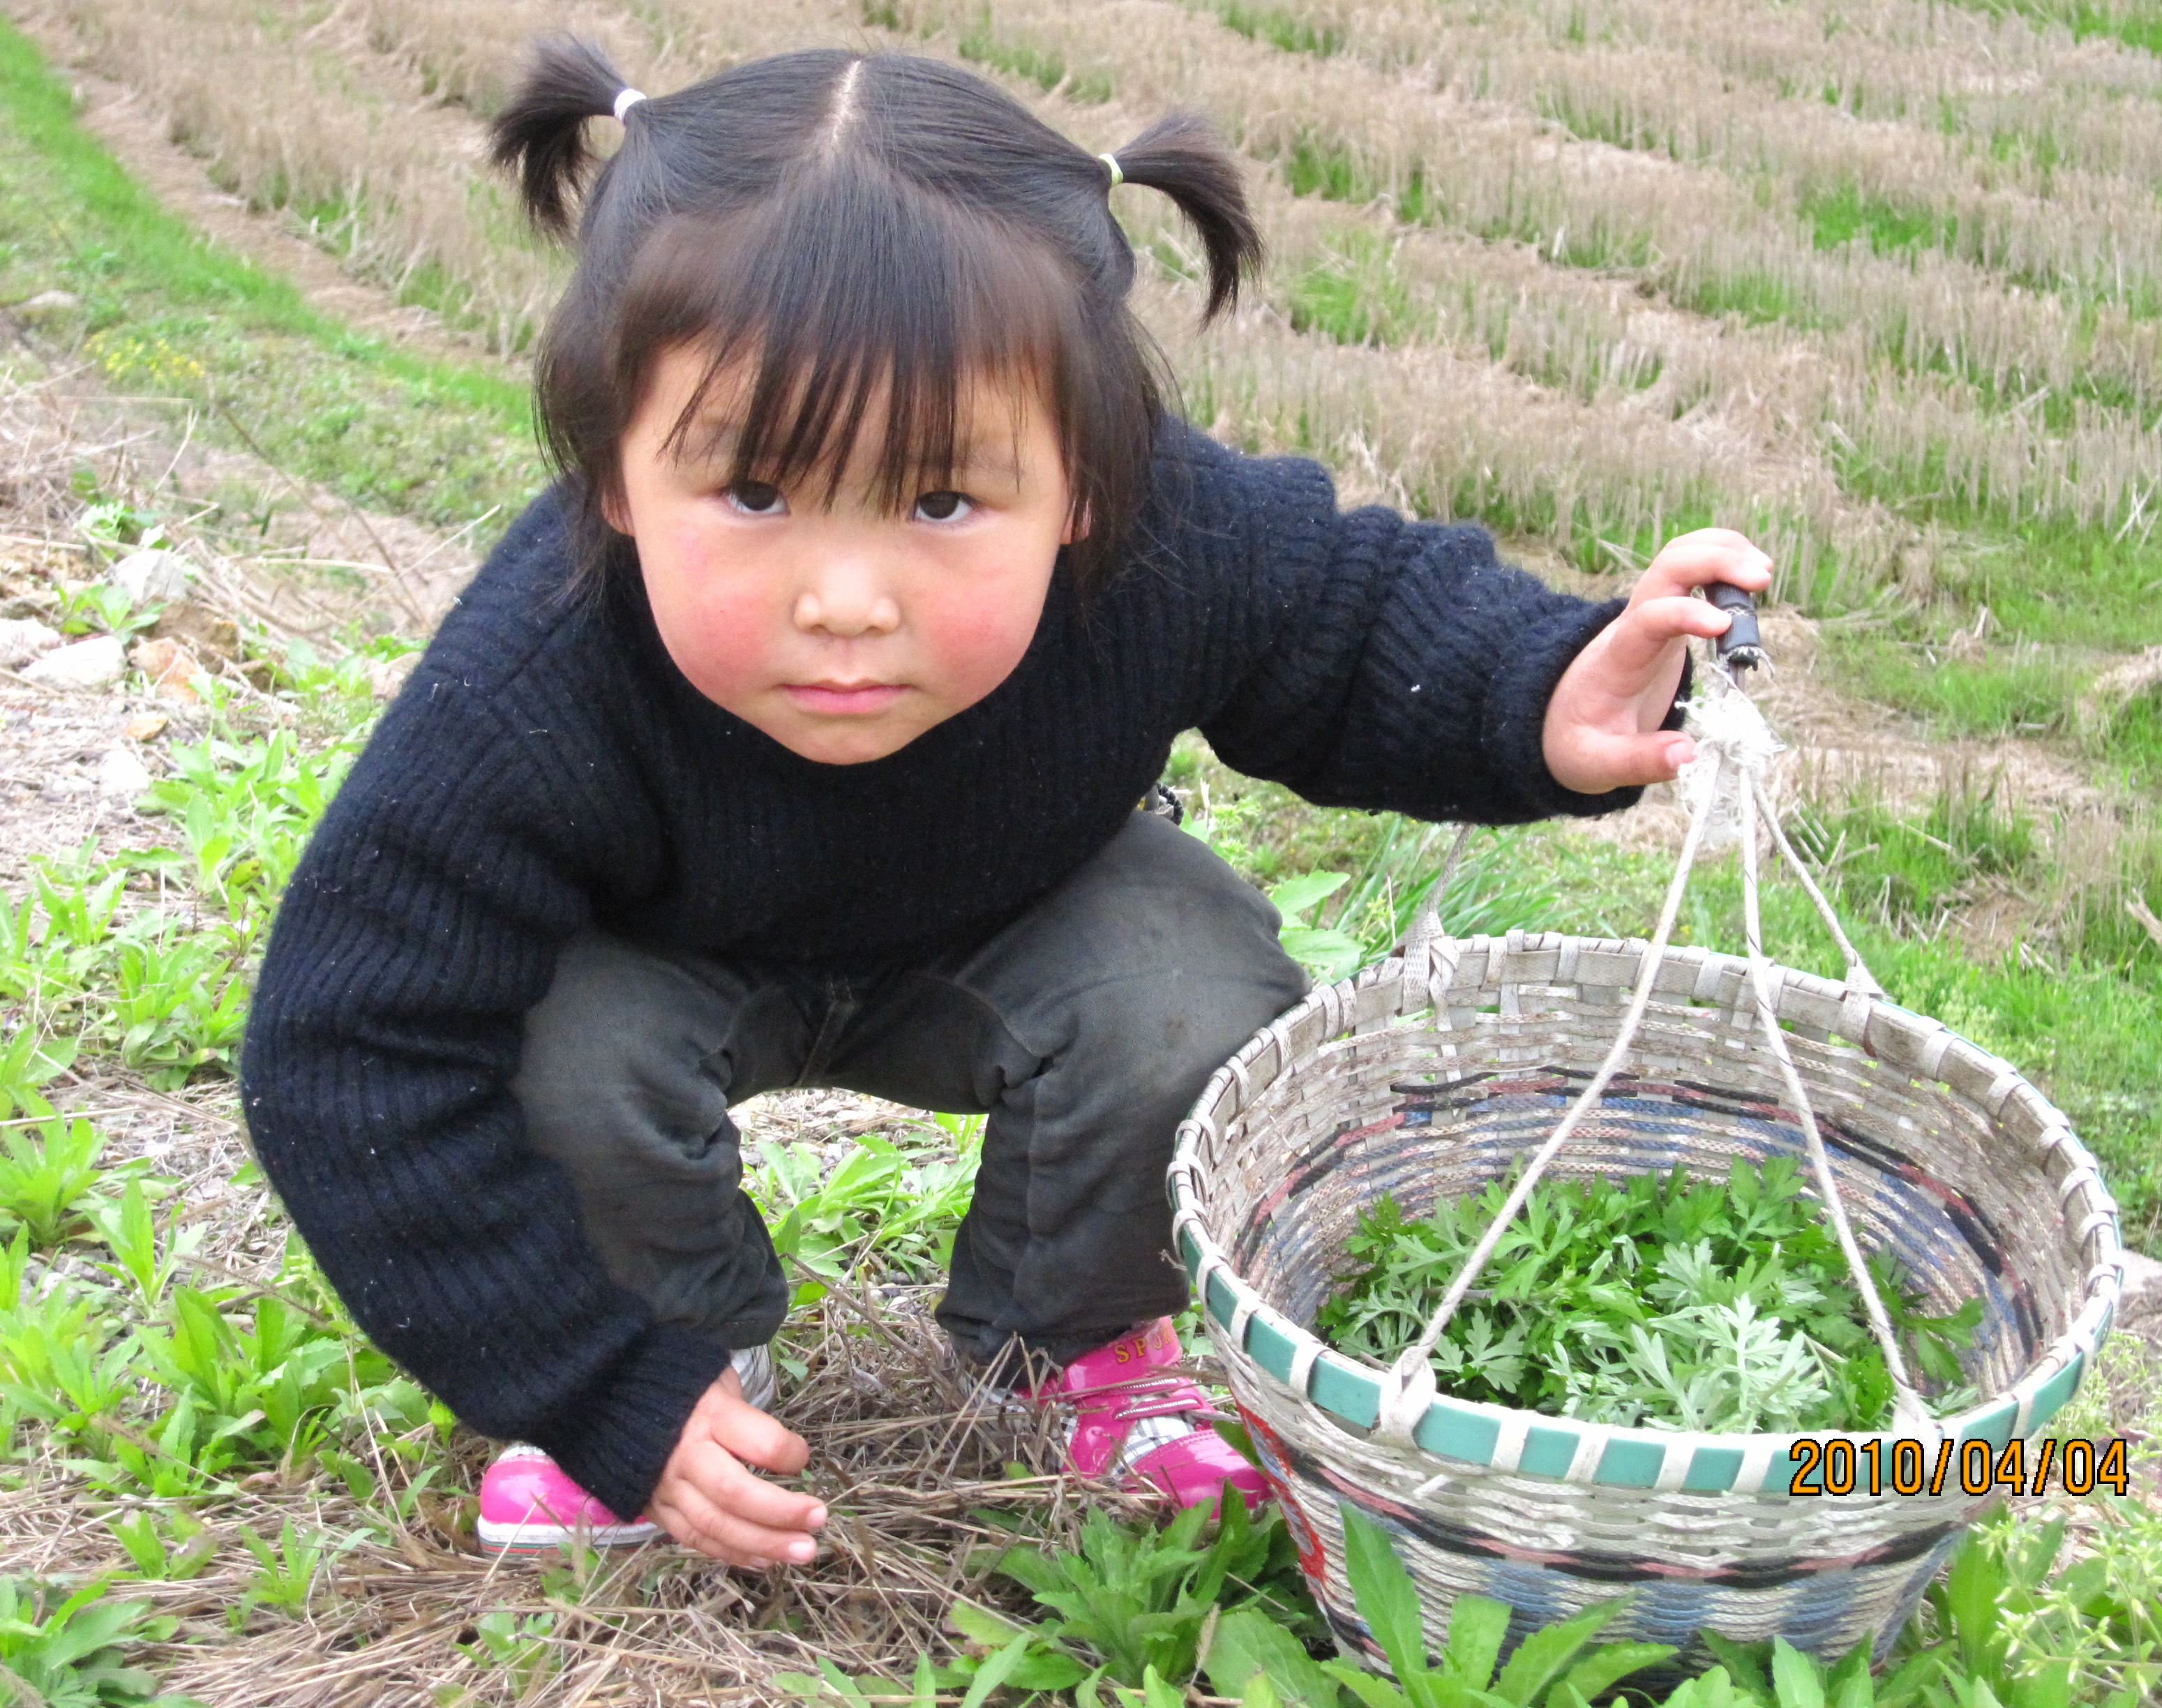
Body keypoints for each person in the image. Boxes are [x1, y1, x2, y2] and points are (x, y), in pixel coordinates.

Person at [238, 38, 1772, 1573]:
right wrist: (585, 1380)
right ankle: (675, 1366)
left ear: (1086, 486)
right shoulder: (537, 678)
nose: (845, 601)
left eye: (942, 503)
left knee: (1195, 980)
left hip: (1004, 929)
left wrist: (1546, 689)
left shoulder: (1168, 544)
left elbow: (1352, 619)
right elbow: (347, 1047)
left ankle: (1071, 1343)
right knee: (542, 1053)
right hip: (652, 964)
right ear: (615, 475)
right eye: (755, 495)